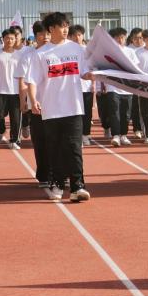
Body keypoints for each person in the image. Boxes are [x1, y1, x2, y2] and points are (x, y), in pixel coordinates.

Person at [25, 12, 90, 203]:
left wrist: (94, 75)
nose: (66, 29)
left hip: (74, 106)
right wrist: (33, 100)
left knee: (74, 147)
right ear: (51, 29)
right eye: (62, 26)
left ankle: (78, 186)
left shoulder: (77, 49)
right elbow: (32, 80)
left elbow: (85, 72)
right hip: (51, 108)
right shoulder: (40, 54)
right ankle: (58, 184)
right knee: (54, 148)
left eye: (67, 25)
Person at [18, 21, 52, 188]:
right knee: (40, 141)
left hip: (57, 105)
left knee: (58, 141)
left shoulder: (57, 52)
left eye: (48, 33)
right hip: (36, 106)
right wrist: (24, 101)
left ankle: (61, 174)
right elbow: (23, 82)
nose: (45, 37)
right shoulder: (28, 56)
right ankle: (44, 175)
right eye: (41, 34)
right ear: (35, 36)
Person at [103, 27, 138, 147]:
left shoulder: (130, 52)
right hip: (112, 86)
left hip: (127, 87)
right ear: (112, 39)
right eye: (117, 37)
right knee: (114, 112)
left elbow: (135, 69)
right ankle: (116, 136)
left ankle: (123, 135)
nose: (120, 39)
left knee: (126, 114)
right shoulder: (108, 52)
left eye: (122, 37)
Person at [0, 28, 23, 149]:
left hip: (16, 92)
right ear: (3, 39)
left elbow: (23, 75)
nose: (9, 40)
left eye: (12, 38)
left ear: (15, 39)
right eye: (7, 38)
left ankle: (14, 140)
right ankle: (2, 131)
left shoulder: (20, 55)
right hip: (1, 91)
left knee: (16, 119)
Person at [68, 25, 95, 147]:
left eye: (79, 35)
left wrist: (93, 84)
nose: (77, 38)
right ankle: (77, 136)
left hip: (86, 87)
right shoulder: (68, 50)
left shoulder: (88, 51)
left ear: (83, 36)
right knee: (75, 114)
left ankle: (85, 135)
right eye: (74, 35)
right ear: (70, 37)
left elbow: (92, 68)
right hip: (73, 88)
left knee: (87, 113)